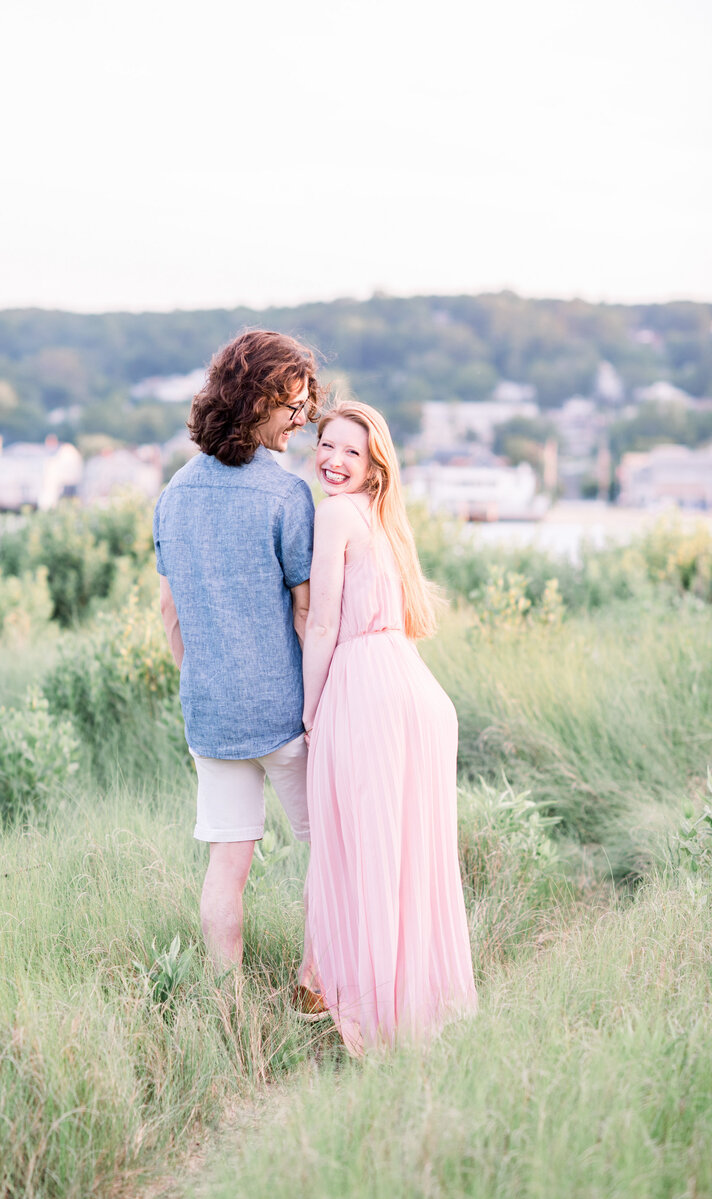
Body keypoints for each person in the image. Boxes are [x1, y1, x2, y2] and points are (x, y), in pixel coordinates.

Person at [300, 400, 477, 1053]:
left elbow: (321, 624)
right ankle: (407, 1014)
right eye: (326, 444)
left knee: (358, 853)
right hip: (413, 690)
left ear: (375, 465)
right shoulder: (385, 520)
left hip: (366, 691)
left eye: (352, 451)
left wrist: (309, 710)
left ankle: (371, 1021)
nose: (334, 460)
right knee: (406, 857)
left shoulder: (337, 513)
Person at [153, 329, 324, 972]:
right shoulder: (285, 495)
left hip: (211, 715)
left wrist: (198, 677)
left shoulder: (174, 493)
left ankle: (225, 1004)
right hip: (283, 713)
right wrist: (319, 703)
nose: (299, 420)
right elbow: (306, 613)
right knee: (327, 852)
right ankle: (315, 984)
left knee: (228, 864)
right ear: (255, 400)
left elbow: (169, 611)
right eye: (291, 406)